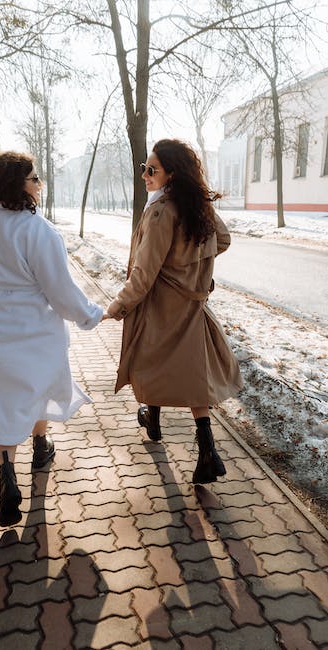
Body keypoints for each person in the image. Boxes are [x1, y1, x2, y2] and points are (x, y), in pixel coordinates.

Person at [0, 151, 103, 527]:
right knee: (38, 388)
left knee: (1, 398)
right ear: (17, 183)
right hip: (35, 327)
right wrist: (90, 314)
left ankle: (8, 473)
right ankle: (40, 446)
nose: (38, 184)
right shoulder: (38, 230)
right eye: (34, 178)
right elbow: (60, 290)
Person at [104, 139, 243, 484]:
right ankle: (206, 449)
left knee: (149, 361)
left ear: (171, 175)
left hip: (161, 306)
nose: (145, 176)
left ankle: (155, 422)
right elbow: (221, 241)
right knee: (192, 374)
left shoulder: (161, 211)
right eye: (143, 169)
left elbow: (144, 273)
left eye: (152, 170)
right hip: (192, 308)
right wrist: (192, 267)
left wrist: (116, 307)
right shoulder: (197, 206)